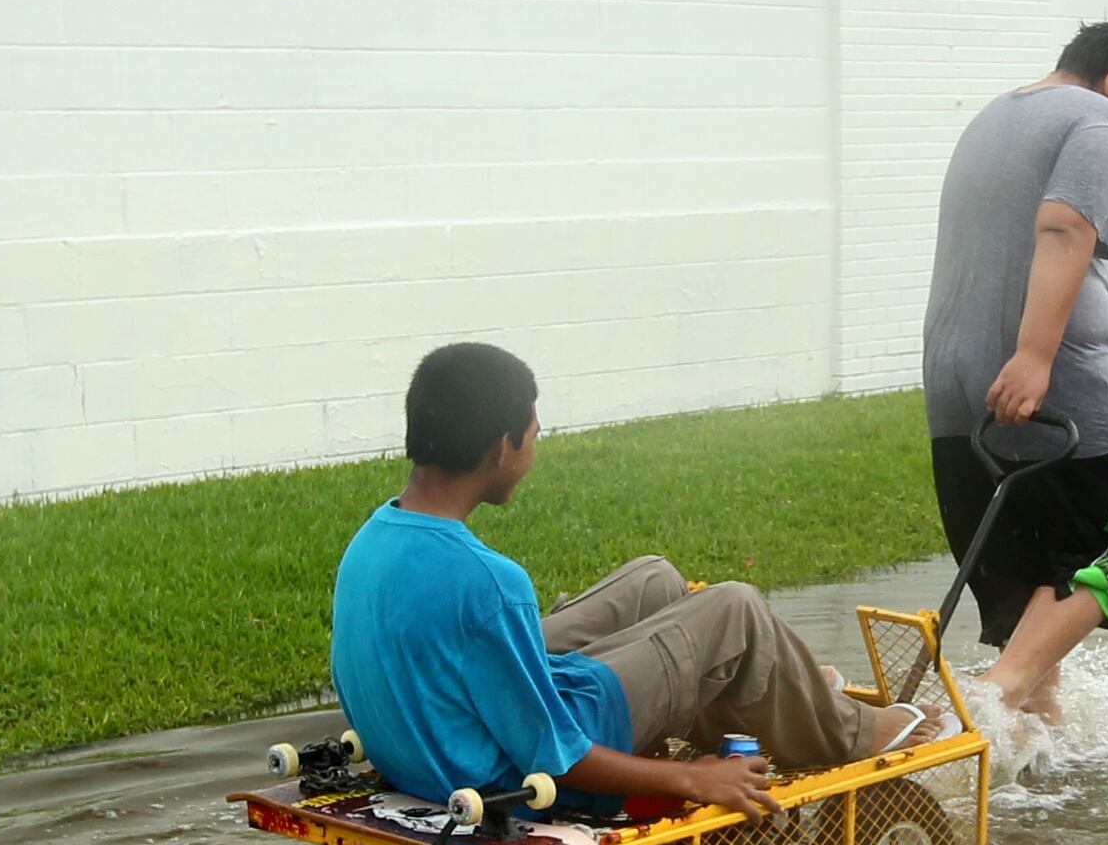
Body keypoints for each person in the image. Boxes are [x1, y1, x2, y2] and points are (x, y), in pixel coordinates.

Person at [330, 342, 935, 818]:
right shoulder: (491, 582)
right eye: (534, 437)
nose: (535, 450)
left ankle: (765, 691)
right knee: (736, 609)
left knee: (654, 578)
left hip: (446, 738)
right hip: (515, 770)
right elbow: (556, 758)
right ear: (502, 446)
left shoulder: (370, 542)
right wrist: (690, 777)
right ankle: (852, 731)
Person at [920, 20, 1108, 722]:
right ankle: (986, 704)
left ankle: (1036, 741)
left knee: (1033, 566)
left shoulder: (994, 117)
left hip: (954, 377)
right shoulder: (1097, 116)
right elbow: (1065, 228)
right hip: (1052, 375)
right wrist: (1035, 356)